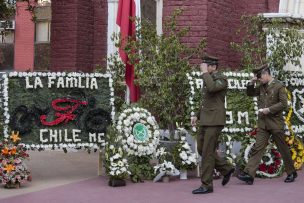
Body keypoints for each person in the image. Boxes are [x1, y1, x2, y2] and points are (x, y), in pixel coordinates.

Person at [237, 65, 297, 185]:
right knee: (257, 148)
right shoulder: (261, 86)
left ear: (266, 74)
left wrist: (269, 109)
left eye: (260, 77)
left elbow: (283, 104)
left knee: (283, 148)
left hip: (275, 123)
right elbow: (250, 93)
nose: (259, 79)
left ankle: (291, 172)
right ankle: (249, 174)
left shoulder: (279, 86)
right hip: (263, 123)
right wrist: (251, 82)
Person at [191, 54, 235, 194]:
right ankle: (226, 169)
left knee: (208, 153)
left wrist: (204, 73)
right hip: (205, 119)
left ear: (214, 67)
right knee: (201, 148)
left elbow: (211, 88)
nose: (203, 68)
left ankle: (207, 185)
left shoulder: (222, 79)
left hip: (215, 121)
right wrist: (197, 116)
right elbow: (206, 100)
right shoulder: (208, 78)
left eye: (206, 66)